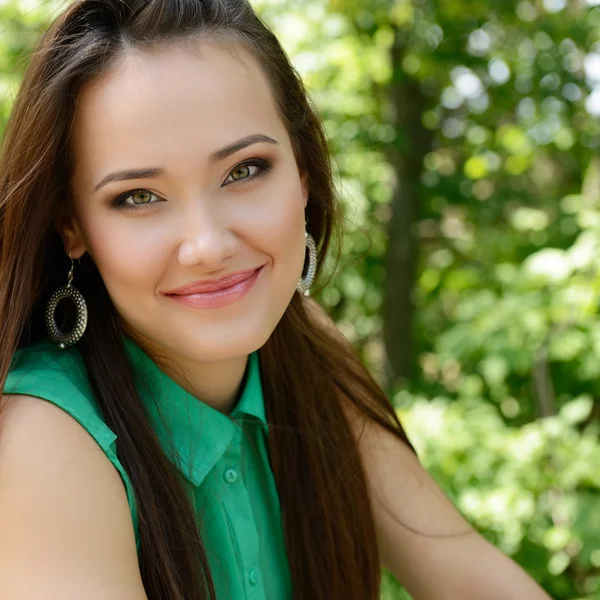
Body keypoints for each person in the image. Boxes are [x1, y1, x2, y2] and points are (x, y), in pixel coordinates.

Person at [0, 1, 552, 599]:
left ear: (304, 172)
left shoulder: (308, 351)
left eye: (244, 170)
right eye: (138, 197)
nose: (207, 246)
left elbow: (462, 569)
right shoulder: (43, 444)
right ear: (71, 226)